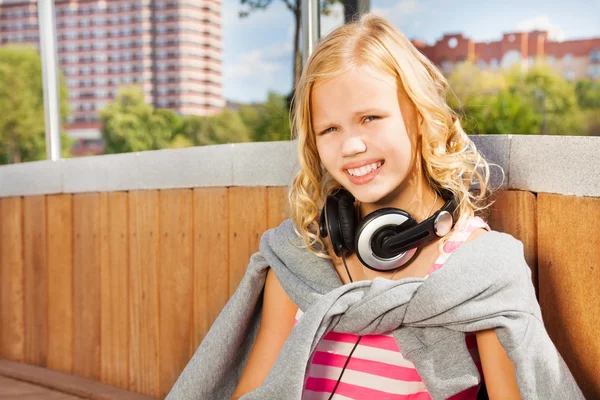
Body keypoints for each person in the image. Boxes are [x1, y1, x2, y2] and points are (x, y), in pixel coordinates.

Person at [166, 14, 583, 400]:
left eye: (370, 118)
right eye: (329, 128)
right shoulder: (300, 257)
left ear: (421, 116)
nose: (350, 146)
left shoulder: (480, 271)